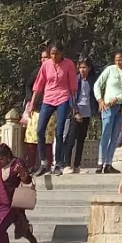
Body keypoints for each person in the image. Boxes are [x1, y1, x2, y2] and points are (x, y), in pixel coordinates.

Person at [29, 43, 78, 176]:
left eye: (56, 54)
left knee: (59, 131)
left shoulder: (68, 64)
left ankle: (58, 163)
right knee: (39, 130)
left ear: (62, 53)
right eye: (52, 54)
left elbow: (73, 87)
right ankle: (44, 162)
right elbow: (38, 85)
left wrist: (75, 107)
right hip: (48, 98)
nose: (54, 57)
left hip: (63, 97)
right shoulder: (46, 65)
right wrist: (32, 103)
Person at [95, 49, 122, 173]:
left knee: (115, 135)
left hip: (120, 105)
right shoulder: (110, 69)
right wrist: (100, 100)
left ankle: (109, 162)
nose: (118, 63)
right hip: (108, 105)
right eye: (116, 60)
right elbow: (97, 84)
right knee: (106, 133)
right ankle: (100, 162)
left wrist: (118, 98)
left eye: (120, 60)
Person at [67, 57, 98, 172]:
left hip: (87, 113)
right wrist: (75, 112)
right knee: (71, 139)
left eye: (84, 67)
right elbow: (72, 96)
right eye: (80, 67)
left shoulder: (92, 81)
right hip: (77, 112)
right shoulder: (75, 80)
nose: (82, 70)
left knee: (81, 140)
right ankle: (67, 164)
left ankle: (77, 165)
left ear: (89, 68)